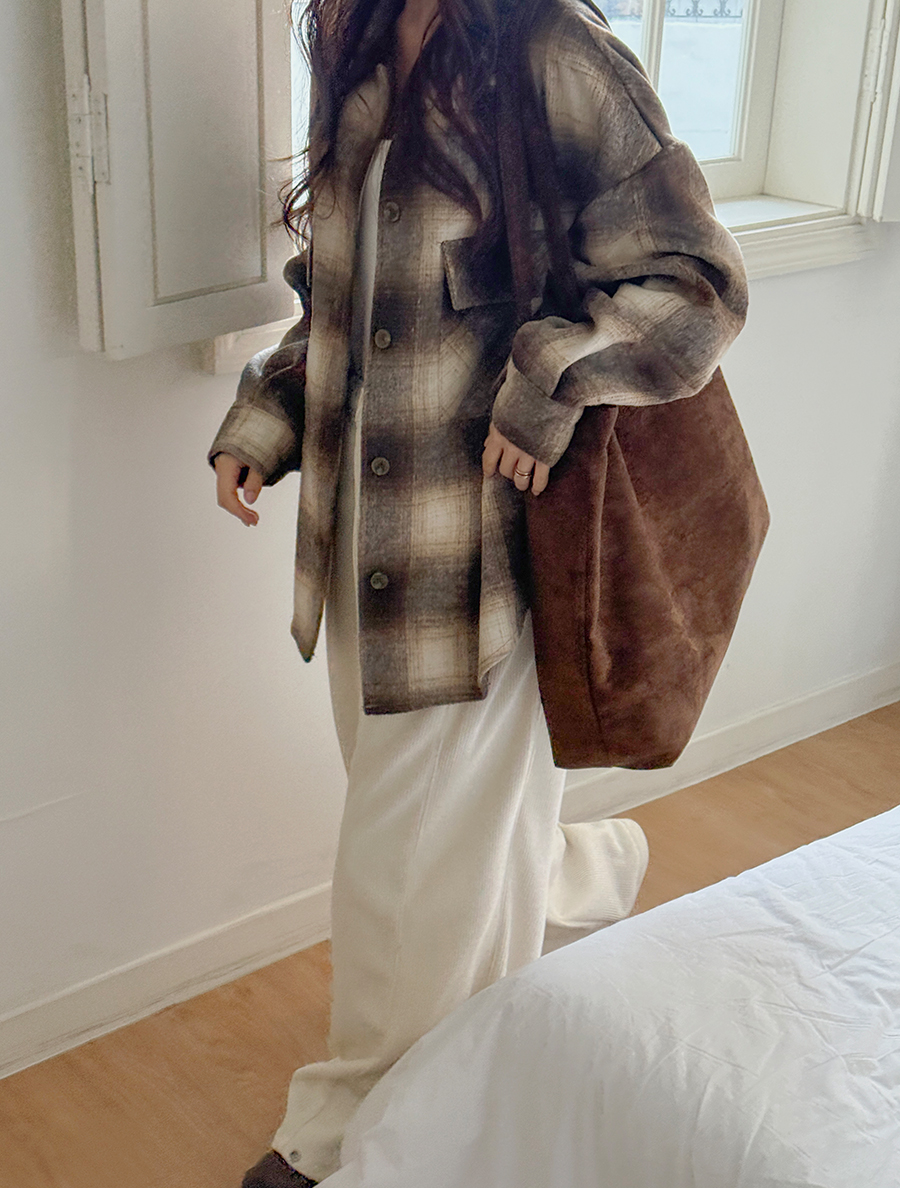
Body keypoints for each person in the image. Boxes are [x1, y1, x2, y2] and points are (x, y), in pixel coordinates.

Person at [209, 0, 749, 1182]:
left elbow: (696, 281)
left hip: (491, 546)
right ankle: (576, 880)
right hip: (362, 537)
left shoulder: (553, 51)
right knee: (434, 822)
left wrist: (548, 381)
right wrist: (269, 414)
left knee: (401, 865)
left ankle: (350, 1130)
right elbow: (340, 293)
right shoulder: (360, 43)